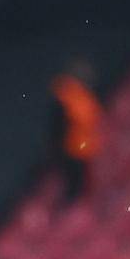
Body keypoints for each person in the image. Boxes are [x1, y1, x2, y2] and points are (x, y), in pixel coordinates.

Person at [48, 56, 103, 204]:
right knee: (73, 181)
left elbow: (90, 121)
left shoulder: (82, 100)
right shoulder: (68, 97)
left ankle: (77, 202)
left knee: (78, 182)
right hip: (71, 147)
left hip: (79, 148)